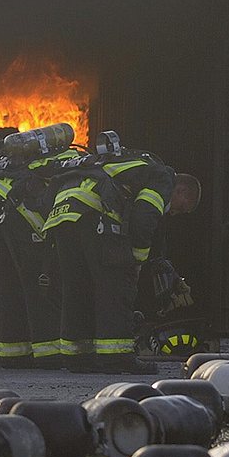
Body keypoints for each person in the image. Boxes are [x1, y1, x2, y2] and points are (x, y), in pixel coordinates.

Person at [40, 147, 201, 374]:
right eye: (180, 209)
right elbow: (143, 218)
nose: (173, 214)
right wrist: (136, 261)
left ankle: (77, 357)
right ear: (181, 191)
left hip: (62, 215)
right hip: (96, 215)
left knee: (77, 288)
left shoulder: (132, 164)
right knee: (115, 287)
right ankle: (116, 357)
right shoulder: (163, 177)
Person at [0, 146, 85, 369]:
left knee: (8, 285)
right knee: (39, 283)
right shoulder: (78, 172)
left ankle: (13, 354)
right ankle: (48, 355)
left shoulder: (28, 168)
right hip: (19, 211)